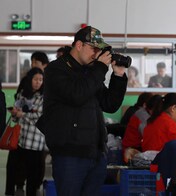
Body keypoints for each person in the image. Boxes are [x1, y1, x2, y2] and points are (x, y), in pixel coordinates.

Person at [39, 26, 128, 196]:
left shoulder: (90, 72)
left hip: (95, 152)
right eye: (94, 49)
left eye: (99, 50)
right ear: (79, 45)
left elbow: (109, 104)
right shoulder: (56, 70)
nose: (97, 54)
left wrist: (118, 76)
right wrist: (100, 68)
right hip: (69, 154)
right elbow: (77, 95)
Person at [5, 67, 45, 196]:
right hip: (19, 139)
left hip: (34, 142)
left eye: (40, 80)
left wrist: (22, 114)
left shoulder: (43, 98)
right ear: (30, 80)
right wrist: (15, 113)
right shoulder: (22, 93)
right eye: (35, 79)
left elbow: (39, 117)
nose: (38, 82)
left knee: (32, 174)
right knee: (11, 168)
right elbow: (16, 118)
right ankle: (9, 192)